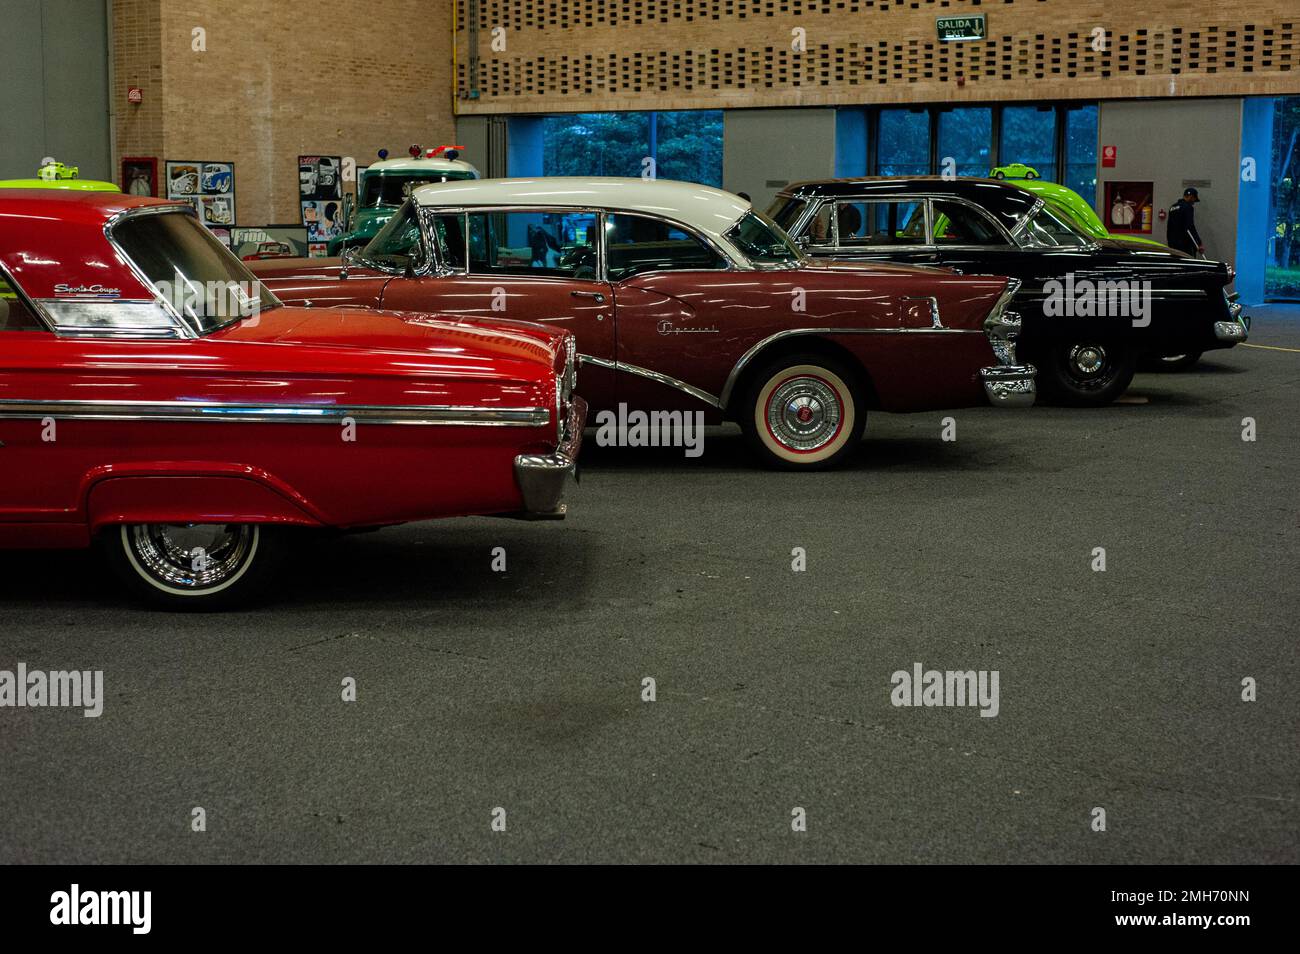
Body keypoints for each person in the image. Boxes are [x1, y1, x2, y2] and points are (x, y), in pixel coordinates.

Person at [1166, 188, 1203, 257]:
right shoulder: (1188, 207)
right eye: (1194, 199)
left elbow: (1169, 227)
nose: (1194, 202)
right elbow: (1190, 227)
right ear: (1191, 197)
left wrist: (1170, 243)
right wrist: (1198, 243)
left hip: (1173, 244)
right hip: (1185, 245)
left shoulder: (1172, 207)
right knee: (1188, 265)